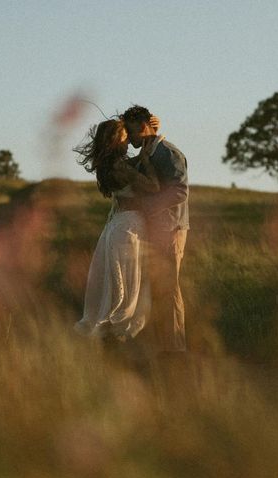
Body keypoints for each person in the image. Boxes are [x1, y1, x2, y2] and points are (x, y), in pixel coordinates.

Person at [73, 117, 160, 342]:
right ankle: (116, 334)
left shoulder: (110, 164)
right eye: (124, 135)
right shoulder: (120, 165)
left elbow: (134, 163)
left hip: (117, 225)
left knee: (114, 284)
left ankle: (111, 333)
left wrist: (149, 126)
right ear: (115, 139)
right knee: (128, 287)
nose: (128, 140)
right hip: (128, 227)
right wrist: (148, 160)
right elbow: (152, 186)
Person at [121, 105, 189, 356]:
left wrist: (145, 206)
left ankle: (176, 349)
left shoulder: (169, 153)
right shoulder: (147, 153)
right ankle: (160, 345)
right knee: (155, 288)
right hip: (154, 230)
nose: (129, 140)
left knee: (169, 288)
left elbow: (180, 192)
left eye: (130, 133)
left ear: (141, 127)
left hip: (171, 230)